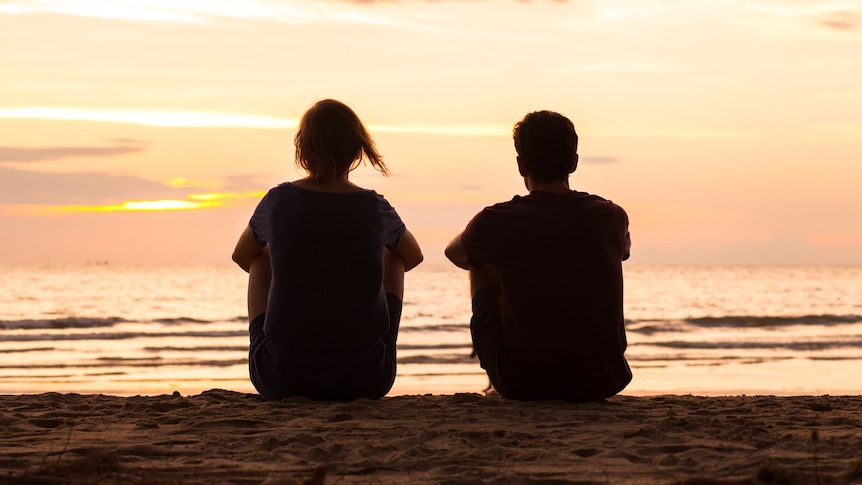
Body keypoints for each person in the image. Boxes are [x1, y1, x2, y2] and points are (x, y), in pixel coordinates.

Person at [232, 99, 423, 401]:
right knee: (393, 256)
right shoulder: (374, 206)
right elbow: (413, 256)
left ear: (302, 150)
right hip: (366, 378)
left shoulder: (278, 200)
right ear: (357, 152)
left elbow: (242, 255)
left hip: (281, 378)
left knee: (261, 255)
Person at [445, 110, 632, 402]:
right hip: (603, 379)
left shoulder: (497, 220)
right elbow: (621, 252)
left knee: (480, 259)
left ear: (522, 166)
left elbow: (454, 253)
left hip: (524, 382)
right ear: (574, 162)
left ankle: (495, 380)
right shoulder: (612, 215)